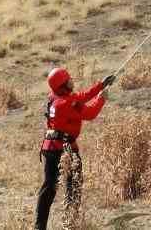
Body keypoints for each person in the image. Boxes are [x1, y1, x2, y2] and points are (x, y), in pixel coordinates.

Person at [35, 66, 114, 229]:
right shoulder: (66, 103)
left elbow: (81, 97)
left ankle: (39, 226)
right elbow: (90, 113)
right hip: (65, 150)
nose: (72, 80)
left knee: (48, 188)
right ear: (63, 85)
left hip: (50, 147)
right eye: (68, 79)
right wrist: (102, 98)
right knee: (74, 186)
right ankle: (70, 224)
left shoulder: (55, 97)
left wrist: (101, 85)